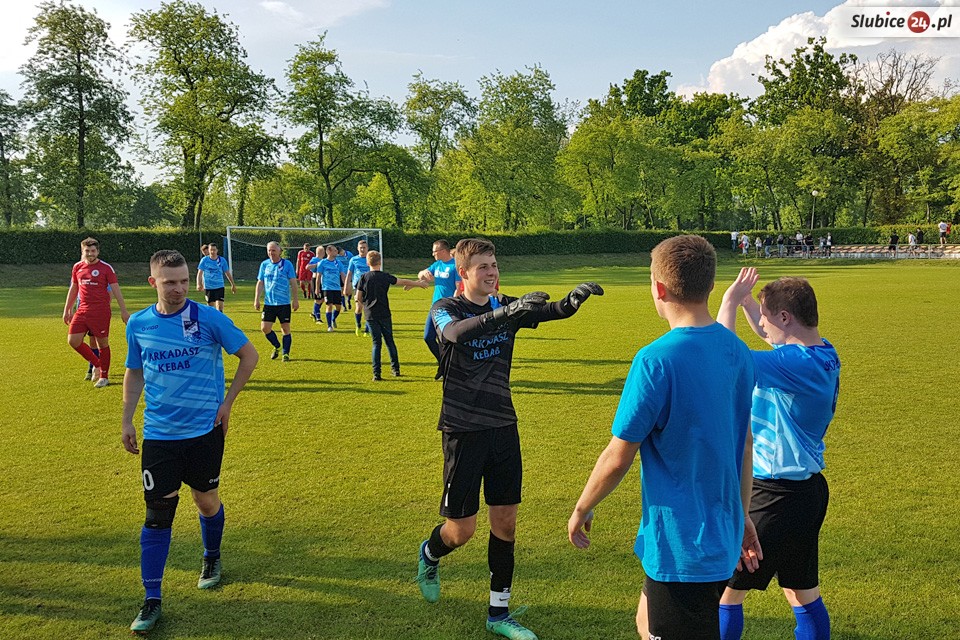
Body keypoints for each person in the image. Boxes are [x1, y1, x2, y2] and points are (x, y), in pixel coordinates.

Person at [567, 235, 759, 640]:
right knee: (646, 619)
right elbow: (745, 446)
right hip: (718, 534)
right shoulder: (738, 350)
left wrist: (583, 506)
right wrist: (741, 517)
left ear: (659, 288)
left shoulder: (655, 361)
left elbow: (618, 455)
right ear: (711, 285)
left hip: (682, 546)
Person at [415, 237, 603, 640]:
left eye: (495, 265)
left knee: (506, 524)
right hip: (463, 430)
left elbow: (546, 311)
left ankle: (498, 614)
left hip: (503, 426)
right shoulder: (445, 307)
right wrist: (507, 312)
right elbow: (455, 334)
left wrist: (571, 302)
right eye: (483, 266)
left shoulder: (504, 304)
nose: (492, 272)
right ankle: (430, 553)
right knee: (461, 531)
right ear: (463, 272)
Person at [122, 249, 258, 634]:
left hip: (204, 432)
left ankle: (211, 556)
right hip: (159, 436)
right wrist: (127, 419)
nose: (179, 289)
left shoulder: (208, 318)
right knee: (157, 515)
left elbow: (249, 356)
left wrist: (227, 403)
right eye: (170, 283)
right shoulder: (139, 324)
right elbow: (134, 372)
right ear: (153, 283)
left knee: (205, 501)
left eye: (184, 281)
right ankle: (151, 599)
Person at [716, 268, 839, 640]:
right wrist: (750, 302)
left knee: (724, 592)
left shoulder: (793, 365)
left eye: (767, 316)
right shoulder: (821, 353)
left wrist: (729, 301)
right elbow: (770, 335)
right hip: (807, 492)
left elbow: (723, 357)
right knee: (801, 592)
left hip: (774, 496)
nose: (762, 325)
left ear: (785, 317)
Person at [62, 237, 131, 388]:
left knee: (102, 343)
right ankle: (97, 364)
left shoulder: (106, 268)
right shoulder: (77, 267)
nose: (90, 254)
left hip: (100, 311)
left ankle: (104, 377)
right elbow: (74, 288)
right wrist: (67, 309)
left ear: (98, 251)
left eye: (93, 251)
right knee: (73, 340)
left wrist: (124, 311)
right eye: (87, 251)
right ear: (82, 251)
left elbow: (116, 289)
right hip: (82, 310)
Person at [355, 250, 425, 380]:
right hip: (384, 313)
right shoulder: (385, 276)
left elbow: (358, 296)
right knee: (389, 341)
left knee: (376, 343)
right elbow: (401, 281)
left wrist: (364, 304)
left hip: (370, 314)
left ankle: (376, 374)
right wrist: (418, 284)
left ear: (367, 263)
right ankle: (395, 369)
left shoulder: (363, 277)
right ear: (380, 262)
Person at [418, 239, 461, 379]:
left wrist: (453, 304)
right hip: (435, 307)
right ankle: (443, 363)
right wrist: (423, 273)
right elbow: (421, 274)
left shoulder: (455, 266)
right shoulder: (437, 265)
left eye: (434, 251)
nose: (433, 254)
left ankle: (447, 368)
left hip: (448, 308)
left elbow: (459, 288)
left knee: (445, 340)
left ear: (443, 251)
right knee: (428, 337)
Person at [254, 241, 299, 362]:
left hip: (284, 303)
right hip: (269, 303)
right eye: (269, 250)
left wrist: (295, 300)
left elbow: (293, 283)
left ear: (280, 251)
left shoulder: (287, 264)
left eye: (273, 250)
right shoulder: (264, 264)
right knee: (265, 328)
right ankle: (277, 346)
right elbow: (260, 282)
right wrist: (256, 299)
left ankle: (285, 353)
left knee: (285, 328)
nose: (271, 253)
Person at [310, 245, 347, 332]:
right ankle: (329, 326)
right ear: (329, 252)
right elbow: (318, 276)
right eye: (335, 250)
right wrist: (317, 288)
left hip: (337, 288)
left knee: (338, 307)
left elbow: (343, 275)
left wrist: (346, 286)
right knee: (329, 305)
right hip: (326, 288)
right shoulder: (322, 262)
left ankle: (333, 319)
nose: (337, 252)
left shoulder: (338, 263)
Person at [344, 239, 373, 337]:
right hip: (358, 287)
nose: (362, 249)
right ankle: (358, 325)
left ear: (367, 248)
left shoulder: (371, 259)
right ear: (357, 248)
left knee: (368, 308)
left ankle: (367, 330)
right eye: (361, 248)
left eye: (364, 248)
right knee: (359, 307)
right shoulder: (353, 260)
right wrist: (346, 287)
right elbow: (349, 274)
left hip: (370, 286)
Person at [196, 243, 236, 312]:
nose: (212, 252)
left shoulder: (222, 260)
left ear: (217, 250)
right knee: (211, 308)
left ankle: (220, 318)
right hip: (208, 287)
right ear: (208, 250)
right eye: (211, 250)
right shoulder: (204, 260)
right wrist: (199, 284)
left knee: (220, 307)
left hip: (219, 286)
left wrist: (233, 284)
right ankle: (212, 319)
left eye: (214, 250)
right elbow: (199, 273)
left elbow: (227, 273)